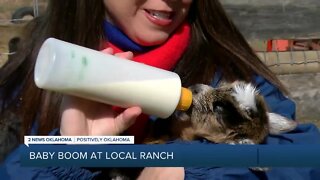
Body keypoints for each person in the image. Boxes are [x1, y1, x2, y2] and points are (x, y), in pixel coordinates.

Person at [1, 0, 320, 179]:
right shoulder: (27, 84)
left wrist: (181, 166)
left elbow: (303, 155)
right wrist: (71, 156)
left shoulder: (228, 72)